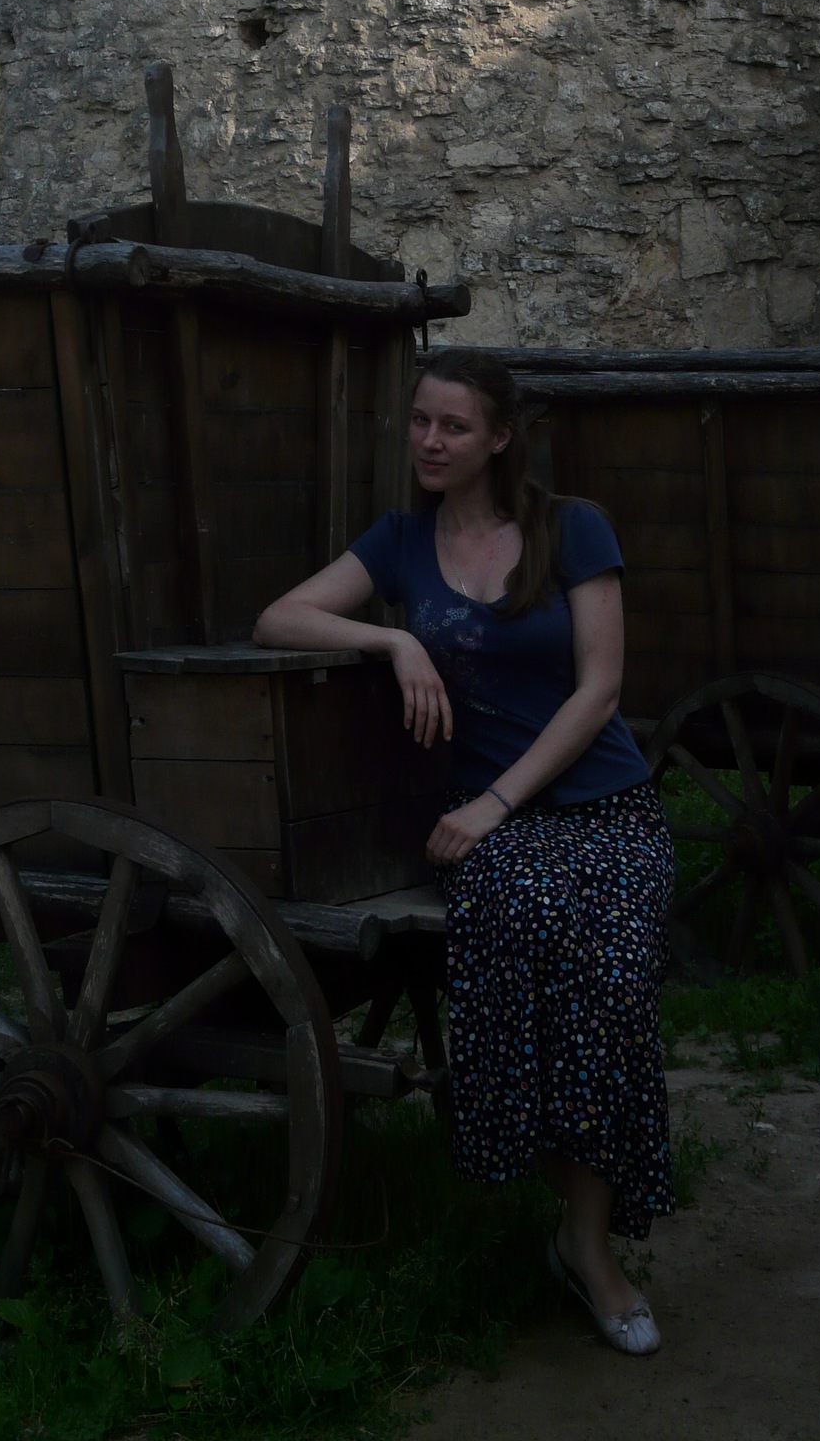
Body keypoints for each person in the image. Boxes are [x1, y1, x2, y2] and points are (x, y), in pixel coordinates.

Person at [254, 348, 675, 1355]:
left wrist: (495, 800)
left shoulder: (572, 528)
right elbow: (278, 617)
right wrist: (393, 640)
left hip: (601, 805)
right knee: (520, 915)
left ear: (498, 437)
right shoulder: (400, 542)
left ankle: (586, 1242)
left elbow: (600, 690)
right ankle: (556, 1174)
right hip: (491, 827)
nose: (430, 441)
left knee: (612, 972)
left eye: (453, 425)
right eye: (420, 421)